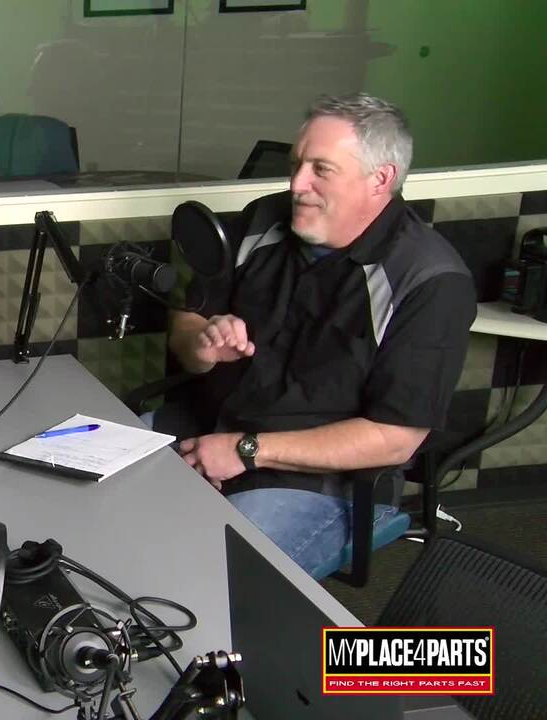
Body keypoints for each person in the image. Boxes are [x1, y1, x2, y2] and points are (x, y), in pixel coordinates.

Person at [168, 94, 476, 576]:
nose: (297, 184)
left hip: (318, 485)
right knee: (75, 494)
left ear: (381, 179)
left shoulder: (430, 281)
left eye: (321, 170)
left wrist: (245, 450)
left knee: (195, 575)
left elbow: (395, 438)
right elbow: (185, 321)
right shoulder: (262, 220)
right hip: (199, 430)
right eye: (296, 165)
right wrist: (203, 342)